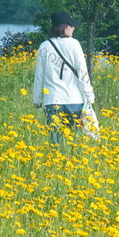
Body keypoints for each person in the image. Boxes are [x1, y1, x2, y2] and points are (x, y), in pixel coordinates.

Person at [32, 10, 96, 142]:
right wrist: (90, 96)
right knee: (75, 141)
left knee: (55, 142)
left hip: (53, 101)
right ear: (63, 27)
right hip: (75, 101)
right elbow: (82, 72)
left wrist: (37, 99)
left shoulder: (44, 46)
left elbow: (39, 75)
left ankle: (55, 162)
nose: (73, 28)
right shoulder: (75, 44)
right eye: (71, 25)